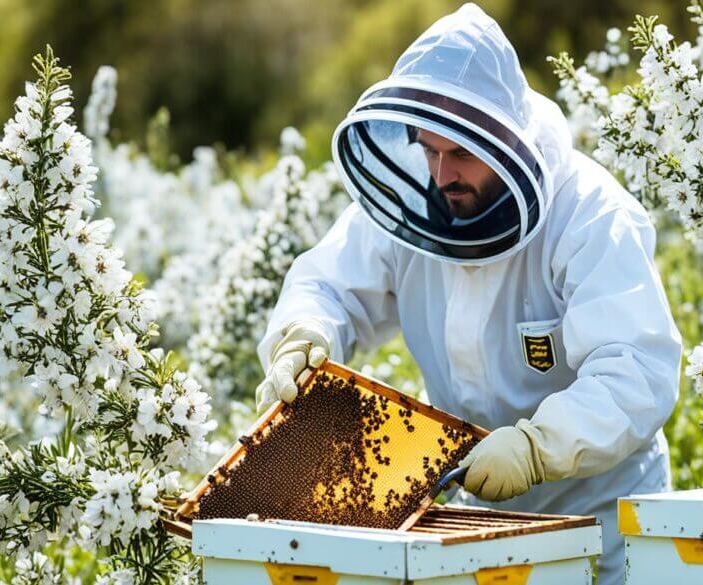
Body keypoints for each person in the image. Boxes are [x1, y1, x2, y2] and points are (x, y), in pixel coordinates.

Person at [254, 4, 681, 583]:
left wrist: (539, 447)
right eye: (428, 150)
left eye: (459, 154)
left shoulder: (589, 217)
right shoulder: (413, 214)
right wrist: (304, 331)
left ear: (508, 140)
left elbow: (636, 371)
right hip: (475, 534)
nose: (441, 174)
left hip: (600, 527)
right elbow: (328, 284)